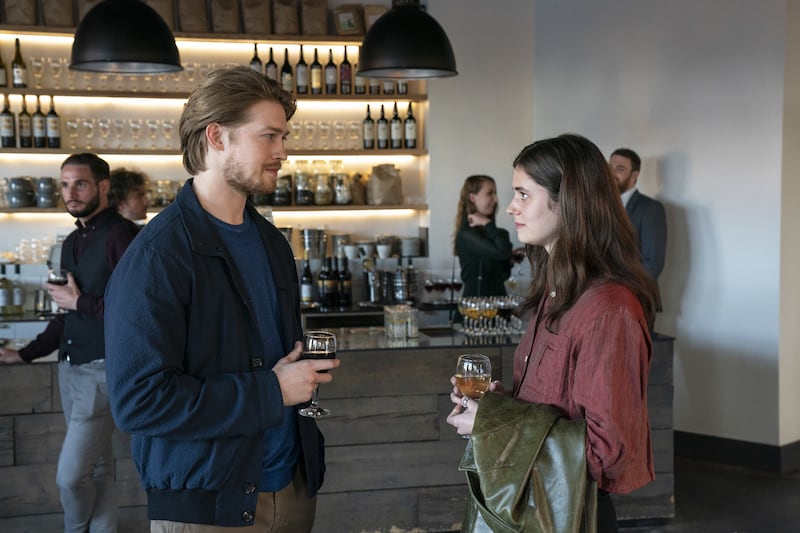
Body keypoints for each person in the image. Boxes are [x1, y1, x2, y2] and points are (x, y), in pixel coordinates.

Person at [104, 67, 340, 531]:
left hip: (290, 485)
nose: (283, 153)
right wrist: (272, 389)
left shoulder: (270, 241)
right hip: (209, 505)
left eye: (284, 137)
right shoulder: (158, 255)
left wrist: (294, 371)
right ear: (216, 137)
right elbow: (139, 402)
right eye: (269, 136)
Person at [447, 134, 659, 533]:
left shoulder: (609, 309)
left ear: (569, 201)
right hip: (530, 501)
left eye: (523, 195)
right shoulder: (556, 290)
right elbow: (548, 408)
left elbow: (604, 452)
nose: (510, 207)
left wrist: (493, 425)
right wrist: (495, 409)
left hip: (569, 514)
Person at [0, 153, 140, 533]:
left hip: (103, 369)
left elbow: (138, 308)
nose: (70, 193)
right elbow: (66, 316)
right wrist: (23, 354)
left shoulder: (121, 235)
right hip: (70, 369)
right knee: (97, 466)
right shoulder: (72, 240)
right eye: (64, 184)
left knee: (70, 476)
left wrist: (78, 301)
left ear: (103, 187)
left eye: (80, 183)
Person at [608, 148, 667, 284]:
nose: (611, 173)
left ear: (635, 175)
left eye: (620, 169)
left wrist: (623, 291)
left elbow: (652, 265)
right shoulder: (600, 206)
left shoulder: (651, 208)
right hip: (603, 297)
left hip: (636, 296)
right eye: (609, 167)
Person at [453, 175, 513, 296]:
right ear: (472, 197)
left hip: (497, 305)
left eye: (495, 193)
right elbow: (502, 252)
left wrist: (511, 258)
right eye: (490, 193)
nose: (495, 199)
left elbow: (504, 275)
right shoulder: (467, 234)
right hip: (476, 309)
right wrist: (488, 223)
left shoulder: (489, 232)